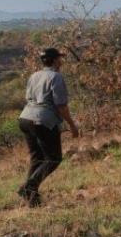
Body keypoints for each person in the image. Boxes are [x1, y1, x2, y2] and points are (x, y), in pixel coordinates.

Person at [17, 47, 79, 206]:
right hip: (43, 120)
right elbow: (61, 106)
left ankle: (33, 199)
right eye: (60, 58)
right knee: (54, 159)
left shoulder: (34, 75)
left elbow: (28, 97)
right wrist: (72, 125)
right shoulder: (56, 77)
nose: (61, 60)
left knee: (37, 159)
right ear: (54, 60)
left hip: (25, 118)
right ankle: (29, 187)